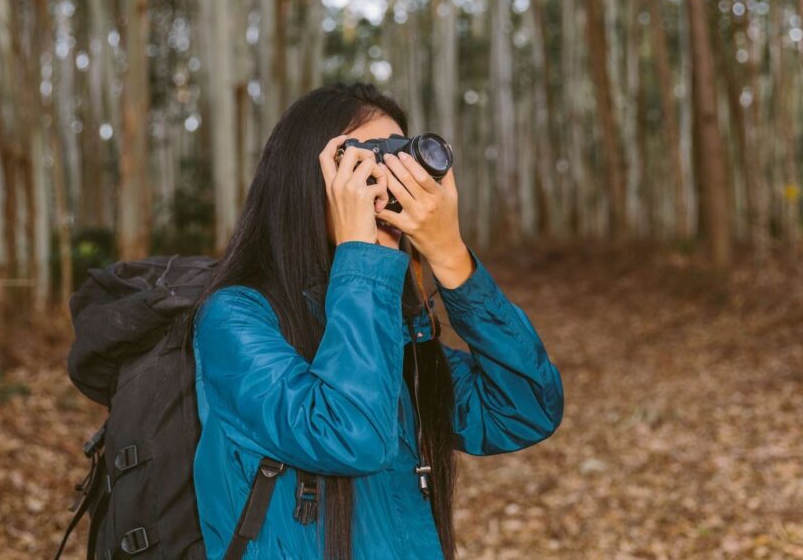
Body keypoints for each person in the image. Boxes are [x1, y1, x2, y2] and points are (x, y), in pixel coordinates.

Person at [191, 83, 564, 559]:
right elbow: (350, 436)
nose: (389, 181)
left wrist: (450, 257)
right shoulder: (234, 318)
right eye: (363, 162)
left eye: (400, 159)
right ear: (307, 178)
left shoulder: (396, 328)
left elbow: (526, 408)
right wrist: (363, 258)